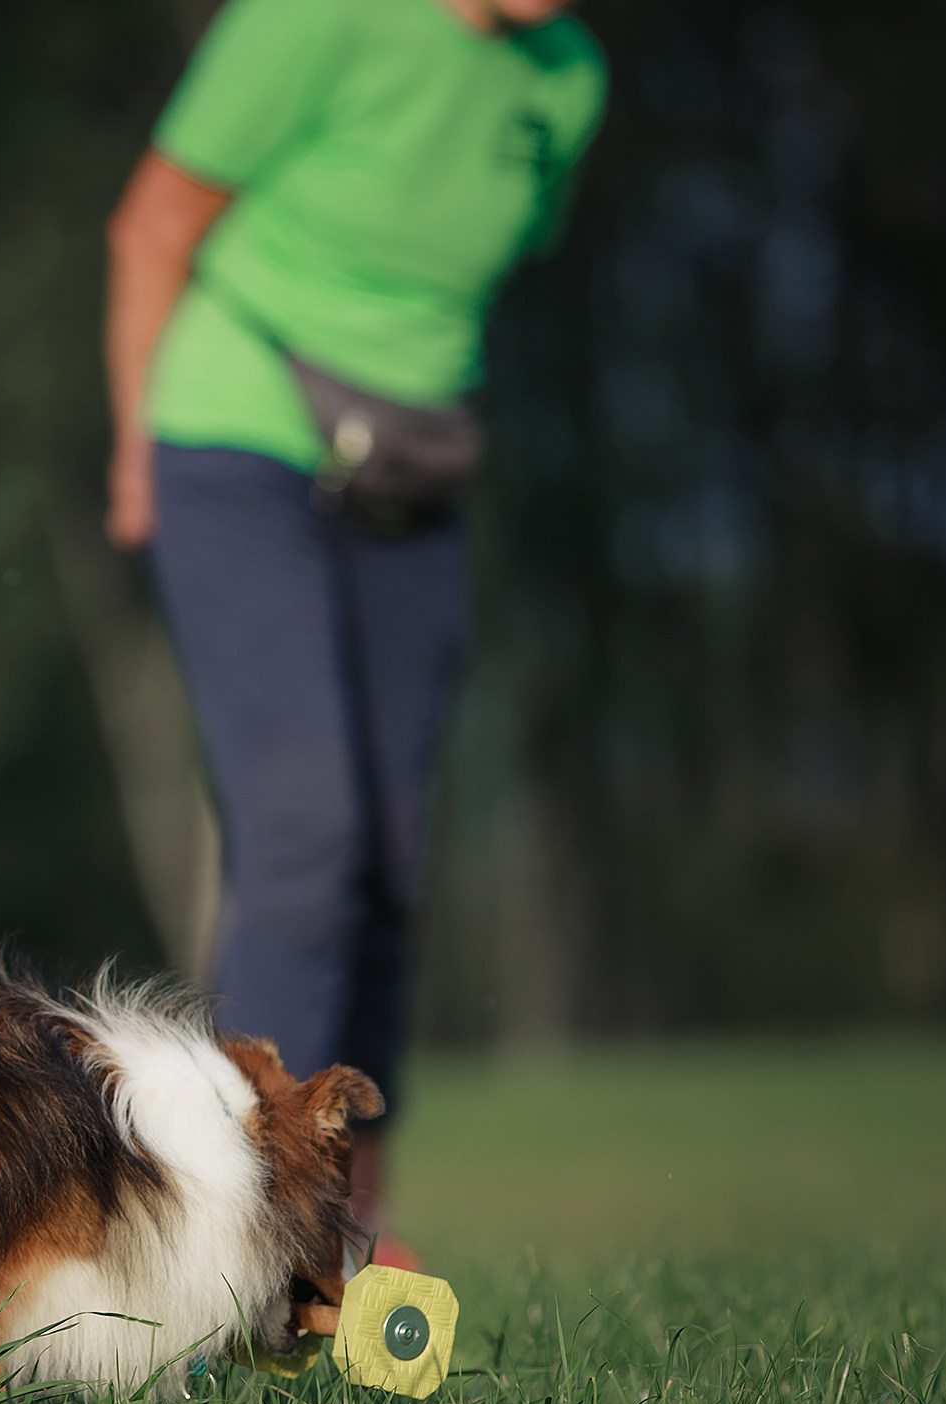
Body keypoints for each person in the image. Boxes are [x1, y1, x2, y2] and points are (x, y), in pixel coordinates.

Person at [104, 0, 606, 1264]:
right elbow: (153, 222)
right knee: (307, 826)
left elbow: (447, 282)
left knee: (386, 854)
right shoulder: (316, 13)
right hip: (234, 433)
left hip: (407, 480)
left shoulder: (565, 81)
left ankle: (351, 1217)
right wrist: (133, 451)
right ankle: (247, 1220)